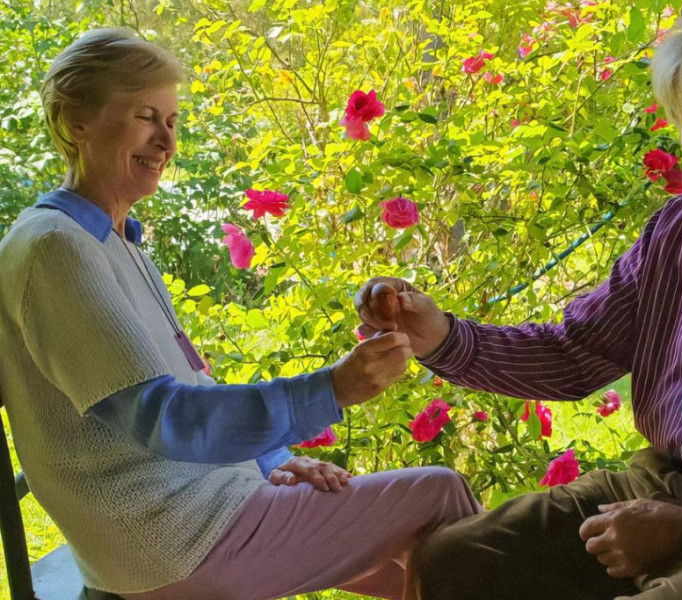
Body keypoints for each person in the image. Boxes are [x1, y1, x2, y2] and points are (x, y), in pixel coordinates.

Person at [355, 5, 682, 600]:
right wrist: (441, 336)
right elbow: (575, 353)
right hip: (665, 485)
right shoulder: (678, 230)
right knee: (455, 559)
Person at [0, 28, 480, 600]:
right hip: (166, 543)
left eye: (172, 121)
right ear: (76, 122)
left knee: (421, 569)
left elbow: (192, 384)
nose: (166, 141)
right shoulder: (55, 247)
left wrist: (276, 460)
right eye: (146, 117)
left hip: (202, 516)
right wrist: (333, 388)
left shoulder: (118, 243)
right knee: (440, 498)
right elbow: (165, 419)